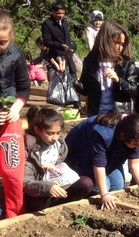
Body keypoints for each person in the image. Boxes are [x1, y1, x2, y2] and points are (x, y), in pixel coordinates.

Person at [65, 112, 139, 210]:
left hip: (109, 153)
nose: (137, 147)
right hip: (81, 153)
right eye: (135, 144)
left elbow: (135, 162)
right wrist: (104, 195)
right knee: (104, 187)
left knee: (118, 184)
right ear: (123, 136)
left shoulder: (135, 134)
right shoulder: (103, 134)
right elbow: (99, 166)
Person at [23, 107, 93, 212]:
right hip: (37, 194)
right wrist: (48, 187)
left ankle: (59, 207)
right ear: (37, 130)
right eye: (50, 133)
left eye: (58, 133)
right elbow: (25, 182)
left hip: (57, 187)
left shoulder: (59, 147)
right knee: (45, 195)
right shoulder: (29, 150)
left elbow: (62, 168)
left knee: (86, 183)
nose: (55, 138)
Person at [0, 10, 30, 218]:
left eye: (2, 42)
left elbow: (24, 87)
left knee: (13, 175)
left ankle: (15, 217)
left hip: (9, 120)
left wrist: (17, 106)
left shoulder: (16, 55)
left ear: (10, 37)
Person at [75, 20, 137, 116]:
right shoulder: (90, 61)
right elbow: (84, 89)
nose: (120, 47)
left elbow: (134, 90)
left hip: (119, 116)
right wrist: (68, 77)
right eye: (116, 42)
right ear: (105, 39)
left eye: (122, 44)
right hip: (97, 116)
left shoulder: (127, 63)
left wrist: (118, 80)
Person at [41, 2, 77, 76]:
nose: (61, 15)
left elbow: (67, 37)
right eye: (59, 13)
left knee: (72, 78)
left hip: (68, 56)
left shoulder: (64, 22)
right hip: (56, 56)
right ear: (53, 12)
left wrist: (71, 47)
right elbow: (46, 41)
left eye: (63, 13)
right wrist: (60, 45)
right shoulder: (47, 24)